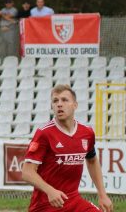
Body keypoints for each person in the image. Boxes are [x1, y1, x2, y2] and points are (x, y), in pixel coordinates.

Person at [21, 84, 113, 212]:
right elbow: (27, 172)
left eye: (64, 100)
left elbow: (92, 160)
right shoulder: (44, 133)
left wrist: (102, 194)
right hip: (46, 205)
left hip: (74, 200)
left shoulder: (87, 132)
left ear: (75, 105)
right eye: (55, 101)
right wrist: (50, 191)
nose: (59, 104)